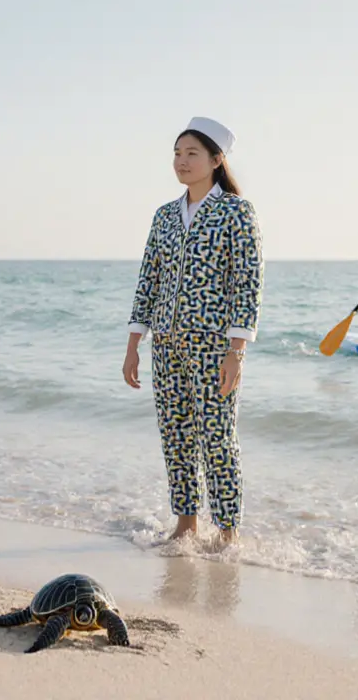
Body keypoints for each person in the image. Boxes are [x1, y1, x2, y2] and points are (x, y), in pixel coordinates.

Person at [121, 116, 264, 549]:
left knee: (218, 437)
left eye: (192, 154)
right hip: (165, 343)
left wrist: (236, 351)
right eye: (177, 154)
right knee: (176, 435)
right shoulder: (164, 216)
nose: (181, 162)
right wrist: (134, 345)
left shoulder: (237, 212)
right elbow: (148, 280)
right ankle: (185, 527)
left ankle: (227, 534)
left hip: (215, 346)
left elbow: (247, 283)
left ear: (217, 160)